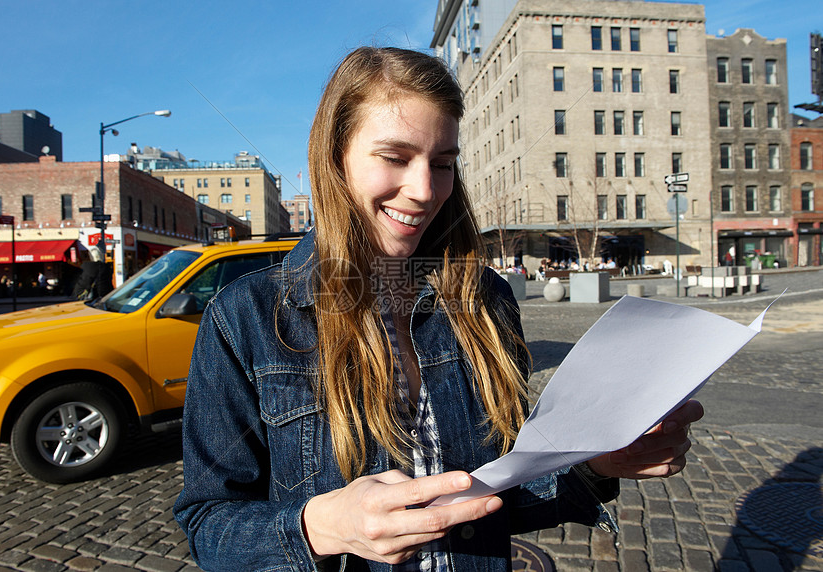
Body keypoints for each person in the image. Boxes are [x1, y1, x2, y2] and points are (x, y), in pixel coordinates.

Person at [173, 47, 703, 571]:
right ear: (335, 157)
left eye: (443, 163)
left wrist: (596, 463)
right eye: (396, 157)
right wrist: (323, 526)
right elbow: (208, 524)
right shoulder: (245, 317)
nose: (425, 190)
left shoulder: (485, 301)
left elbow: (499, 495)